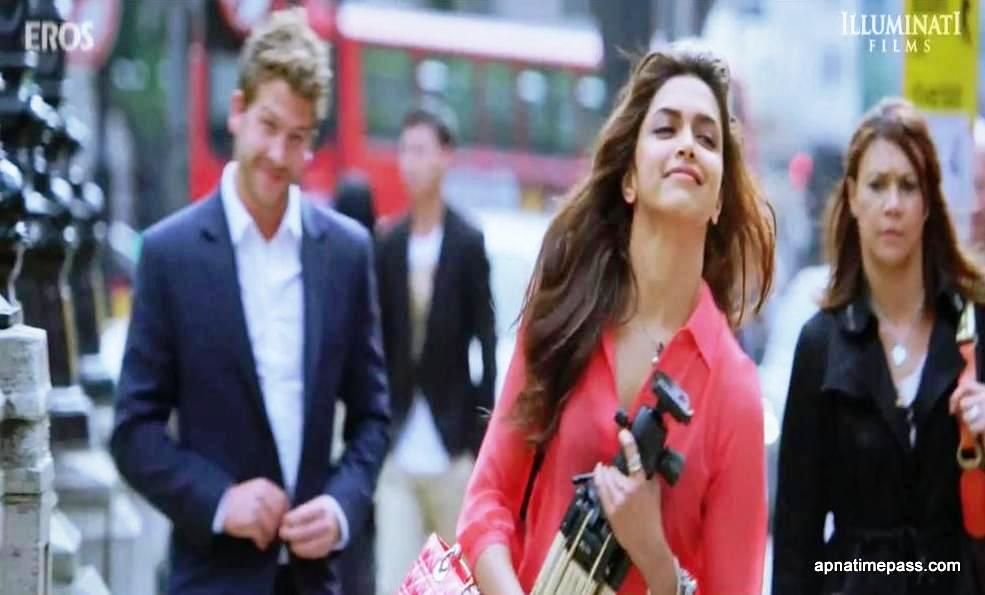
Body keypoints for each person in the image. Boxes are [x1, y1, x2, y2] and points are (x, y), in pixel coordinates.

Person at [456, 46, 775, 595]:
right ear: (629, 178)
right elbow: (487, 503)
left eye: (707, 138)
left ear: (719, 200)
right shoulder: (566, 311)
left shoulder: (735, 391)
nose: (687, 145)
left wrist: (655, 557)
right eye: (666, 129)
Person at [110, 9, 390, 595]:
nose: (278, 154)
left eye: (298, 137)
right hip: (209, 578)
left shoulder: (346, 253)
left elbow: (372, 419)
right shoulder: (169, 254)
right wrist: (220, 501)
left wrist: (340, 507)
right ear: (237, 110)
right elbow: (134, 434)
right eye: (268, 126)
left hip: (315, 580)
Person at [772, 97, 984, 595]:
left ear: (928, 202)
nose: (893, 204)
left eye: (908, 185)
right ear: (851, 196)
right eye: (877, 185)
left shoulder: (974, 329)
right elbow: (796, 535)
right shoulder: (821, 344)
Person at [373, 106, 497, 594]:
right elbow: (376, 341)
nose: (410, 162)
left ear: (445, 157)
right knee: (393, 580)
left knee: (454, 585)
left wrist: (479, 431)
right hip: (398, 444)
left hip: (452, 447)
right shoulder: (389, 243)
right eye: (405, 150)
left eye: (421, 150)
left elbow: (487, 340)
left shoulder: (467, 242)